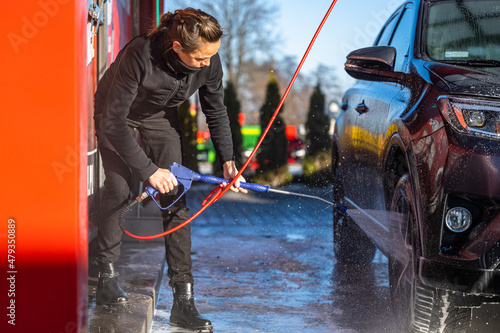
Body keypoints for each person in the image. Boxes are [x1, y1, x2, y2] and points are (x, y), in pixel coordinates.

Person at [92, 7, 246, 332]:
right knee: (120, 188)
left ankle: (183, 302)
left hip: (159, 116)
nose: (208, 64)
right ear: (178, 48)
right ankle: (106, 273)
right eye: (201, 58)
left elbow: (216, 110)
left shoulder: (209, 60)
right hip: (115, 113)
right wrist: (149, 171)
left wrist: (230, 163)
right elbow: (114, 122)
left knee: (176, 196)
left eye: (211, 57)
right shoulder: (140, 55)